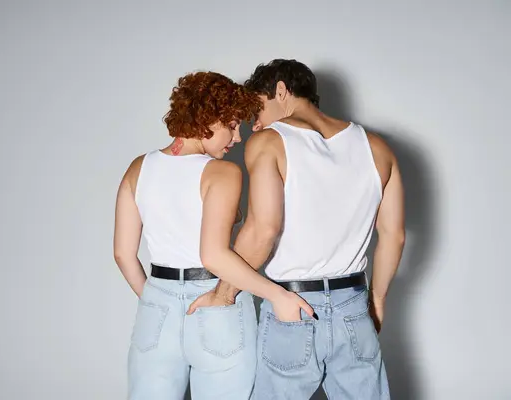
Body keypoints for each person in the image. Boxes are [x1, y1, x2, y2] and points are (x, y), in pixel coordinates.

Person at [190, 59, 405, 399]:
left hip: (292, 307)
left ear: (281, 91)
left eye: (257, 111)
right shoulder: (377, 148)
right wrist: (376, 299)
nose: (253, 125)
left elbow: (264, 229)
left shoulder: (269, 143)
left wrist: (224, 293)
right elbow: (394, 235)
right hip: (353, 306)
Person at [113, 71, 314, 400]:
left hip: (156, 309)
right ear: (209, 117)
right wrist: (278, 295)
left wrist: (156, 301)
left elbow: (123, 253)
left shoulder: (139, 167)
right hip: (218, 305)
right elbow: (214, 256)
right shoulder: (222, 172)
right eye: (233, 124)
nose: (237, 137)